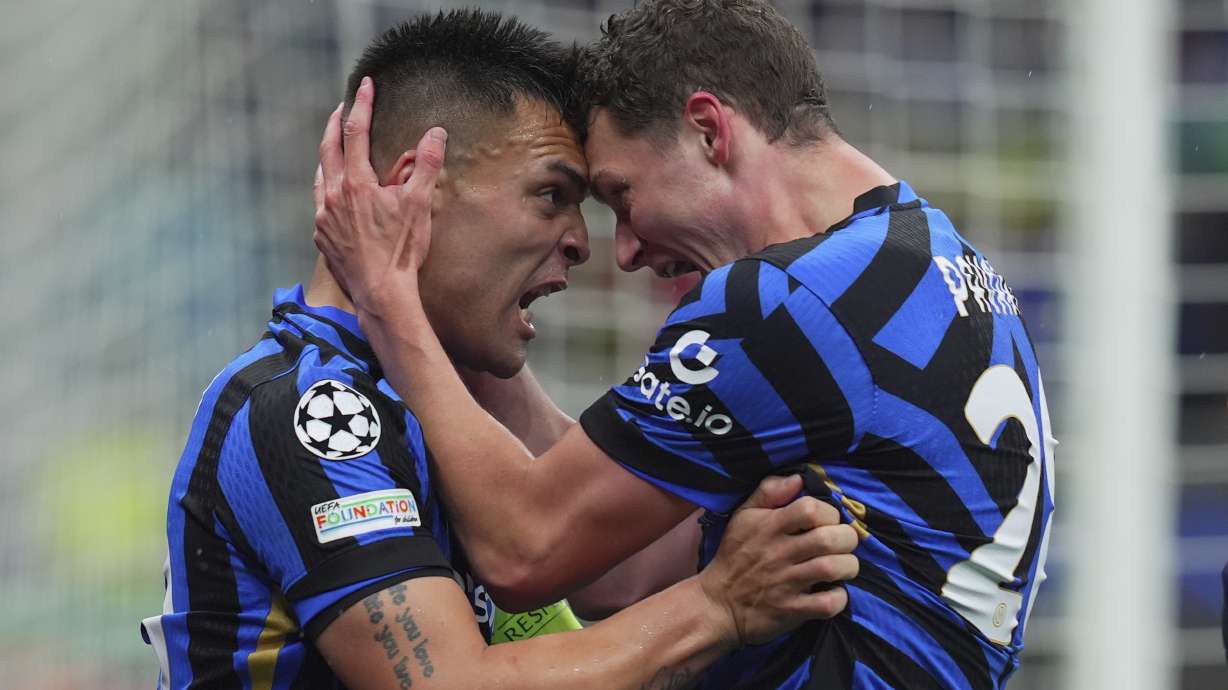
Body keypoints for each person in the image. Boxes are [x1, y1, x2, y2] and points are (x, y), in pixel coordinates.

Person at [312, 0, 1059, 688]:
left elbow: (525, 548)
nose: (627, 250)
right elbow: (625, 570)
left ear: (708, 129)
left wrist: (391, 295)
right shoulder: (937, 257)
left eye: (622, 198)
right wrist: (472, 331)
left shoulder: (785, 302)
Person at [140, 10, 860, 689]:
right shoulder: (312, 407)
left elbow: (615, 563)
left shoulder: (437, 390)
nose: (584, 242)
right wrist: (715, 608)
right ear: (408, 191)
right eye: (552, 195)